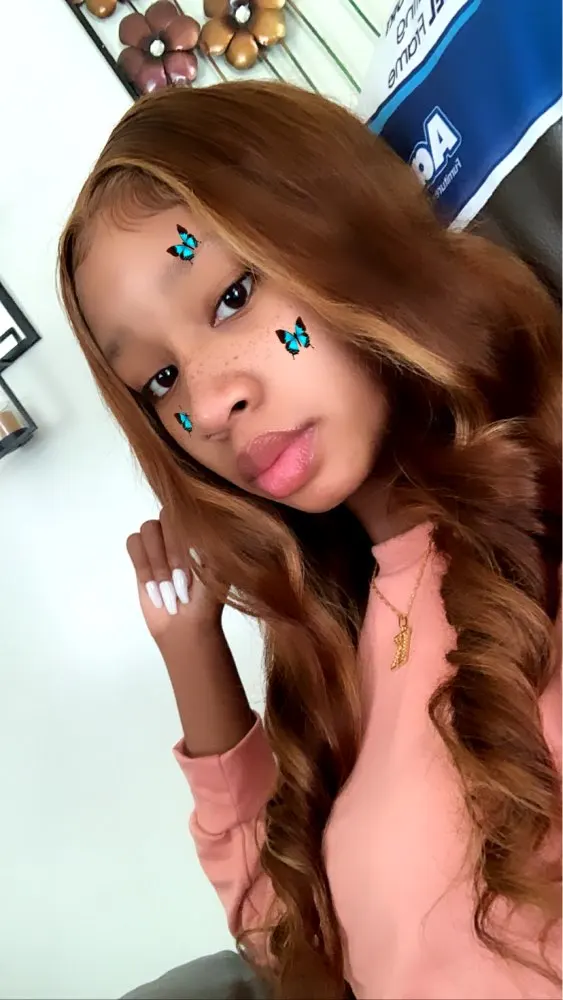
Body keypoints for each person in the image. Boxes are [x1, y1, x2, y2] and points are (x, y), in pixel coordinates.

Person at [58, 82, 561, 1000]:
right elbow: (291, 943)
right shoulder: (339, 643)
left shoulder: (540, 531)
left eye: (231, 296)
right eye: (159, 380)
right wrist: (192, 655)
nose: (208, 403)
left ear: (342, 235)